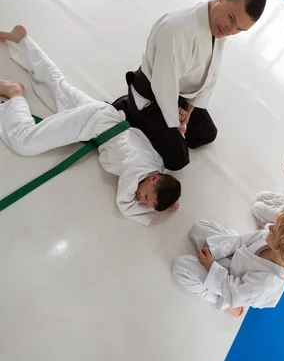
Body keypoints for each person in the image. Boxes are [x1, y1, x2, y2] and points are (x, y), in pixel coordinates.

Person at [0, 26, 180, 225]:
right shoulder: (136, 173)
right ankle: (14, 95)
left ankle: (23, 40)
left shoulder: (156, 165)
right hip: (94, 123)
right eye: (146, 198)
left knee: (57, 87)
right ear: (154, 179)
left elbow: (164, 186)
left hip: (107, 115)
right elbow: (125, 205)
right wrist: (157, 208)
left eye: (146, 203)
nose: (141, 199)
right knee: (24, 142)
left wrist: (166, 202)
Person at [112, 0, 267, 171]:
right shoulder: (178, 29)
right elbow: (163, 83)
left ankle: (162, 115)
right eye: (232, 19)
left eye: (239, 29)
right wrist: (173, 118)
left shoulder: (218, 25)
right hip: (153, 90)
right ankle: (131, 105)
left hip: (178, 92)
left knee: (206, 133)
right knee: (178, 159)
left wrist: (191, 105)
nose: (230, 30)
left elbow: (212, 70)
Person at [173, 213, 284, 317]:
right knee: (199, 227)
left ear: (281, 248)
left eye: (275, 229)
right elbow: (239, 241)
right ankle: (214, 262)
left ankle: (225, 302)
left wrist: (211, 266)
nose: (270, 226)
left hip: (230, 286)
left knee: (182, 266)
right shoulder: (267, 238)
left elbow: (234, 289)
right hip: (232, 258)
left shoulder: (268, 285)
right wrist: (215, 252)